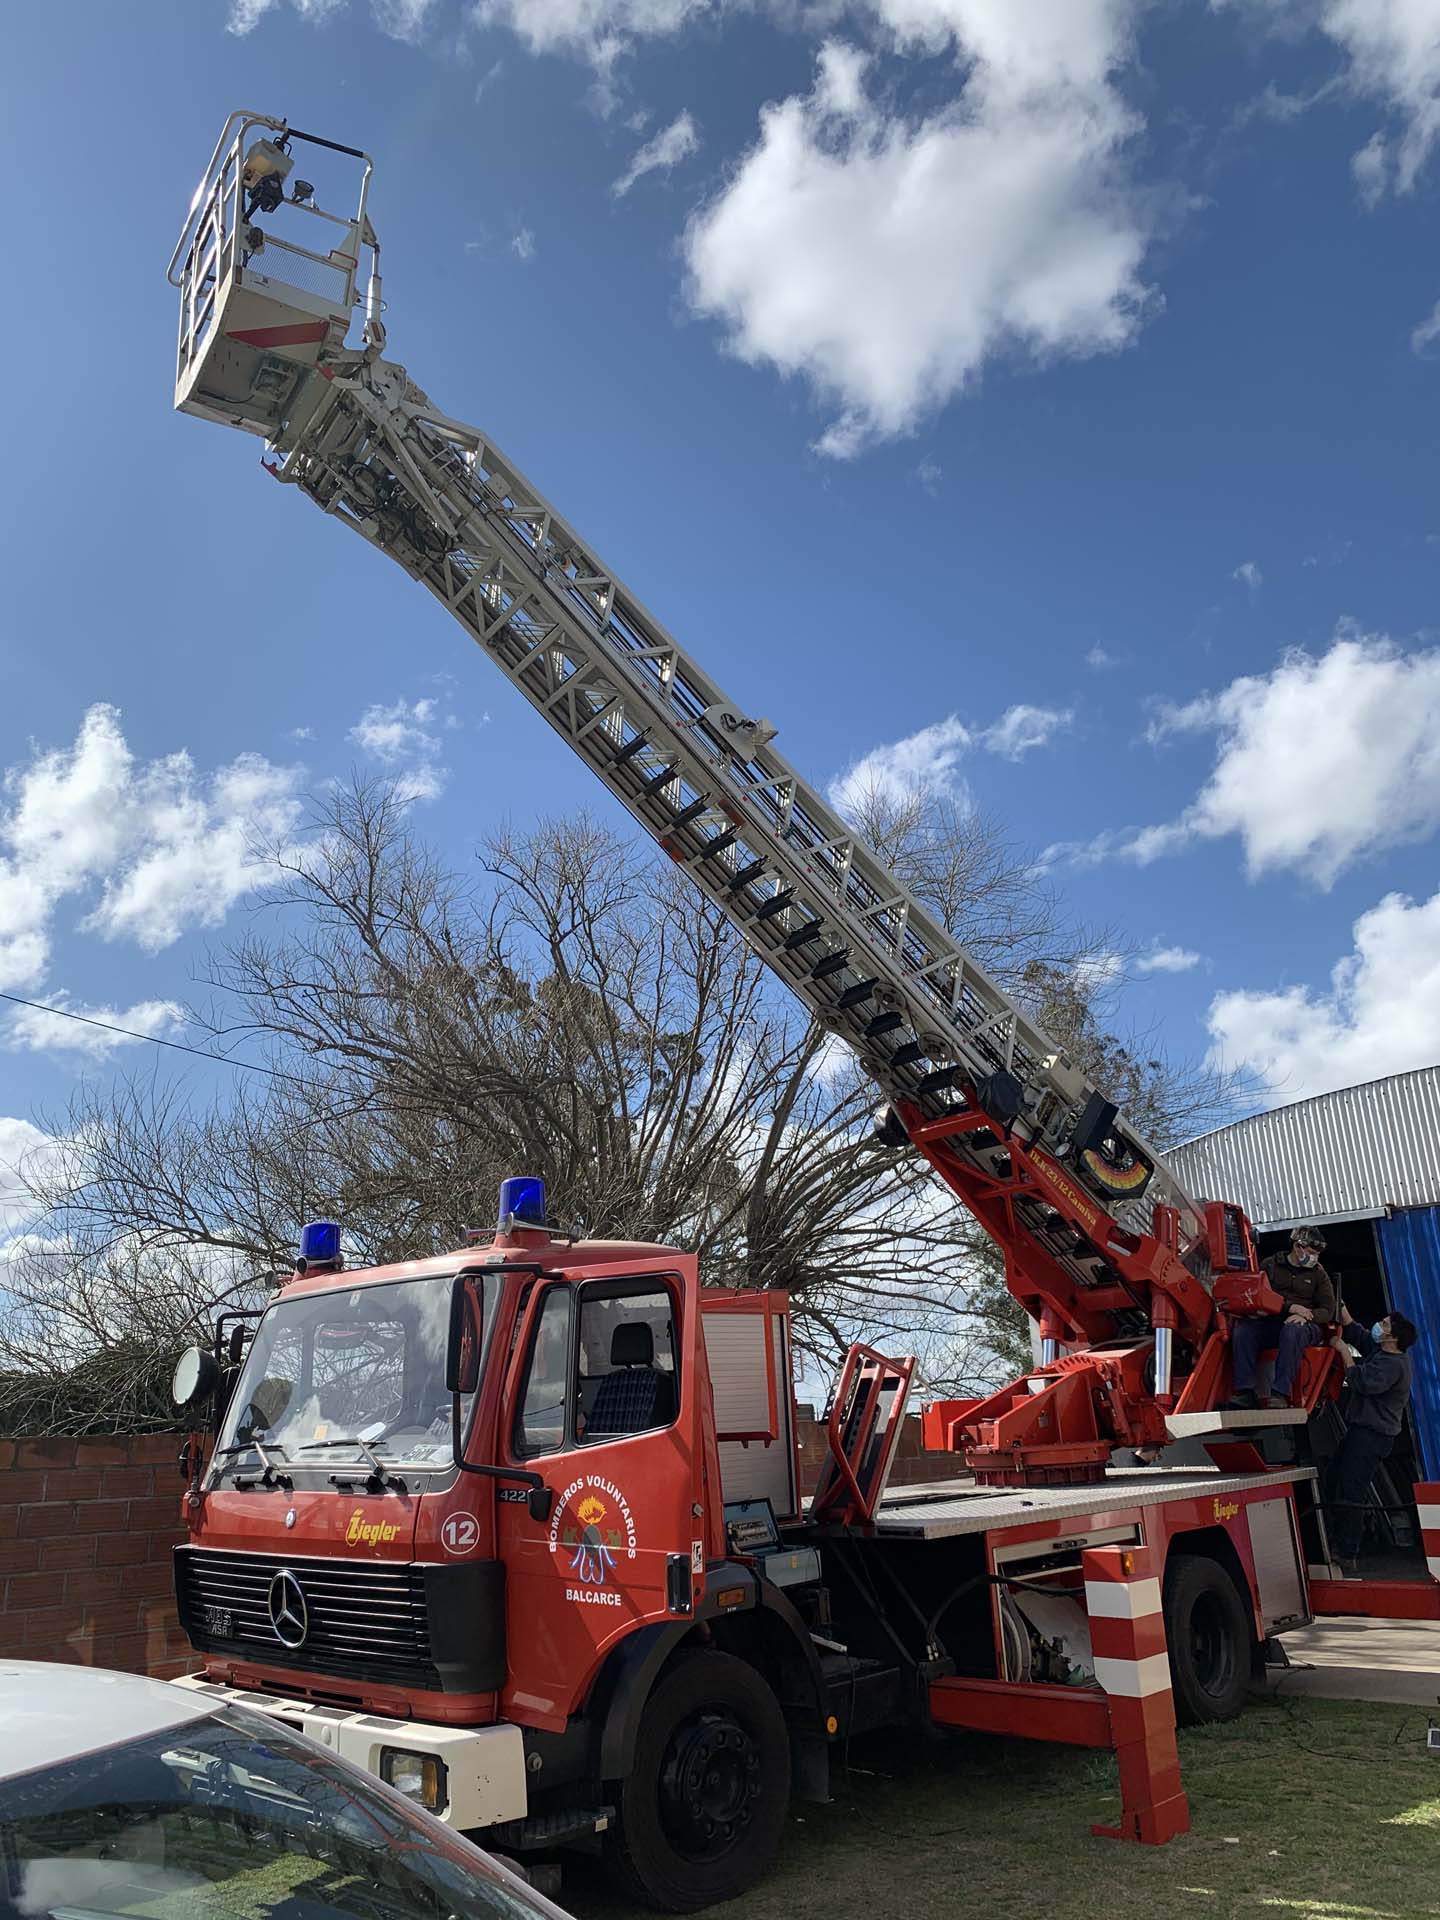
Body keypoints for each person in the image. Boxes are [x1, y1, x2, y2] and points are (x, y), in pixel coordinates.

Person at [1325, 1304, 1419, 1569]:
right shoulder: (1381, 1352)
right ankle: (1338, 1539)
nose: (1380, 1325)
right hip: (1360, 1432)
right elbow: (1360, 1334)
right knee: (1334, 1478)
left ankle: (1348, 1551)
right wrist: (1341, 1309)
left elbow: (1362, 1382)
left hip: (1372, 1436)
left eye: (1385, 1324)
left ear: (1393, 1337)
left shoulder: (1394, 1366)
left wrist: (1343, 1352)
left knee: (1351, 1489)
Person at [1227, 1226, 1335, 1410]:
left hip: (1304, 1325)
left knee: (1292, 1331)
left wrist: (1308, 1316)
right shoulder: (1270, 1265)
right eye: (1311, 1252)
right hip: (1272, 1320)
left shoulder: (1319, 1274)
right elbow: (1258, 1295)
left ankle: (1280, 1394)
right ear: (1297, 1246)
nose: (1314, 1257)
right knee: (1244, 1330)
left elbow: (1328, 1310)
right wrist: (1289, 1307)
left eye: (1317, 1253)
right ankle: (1245, 1392)